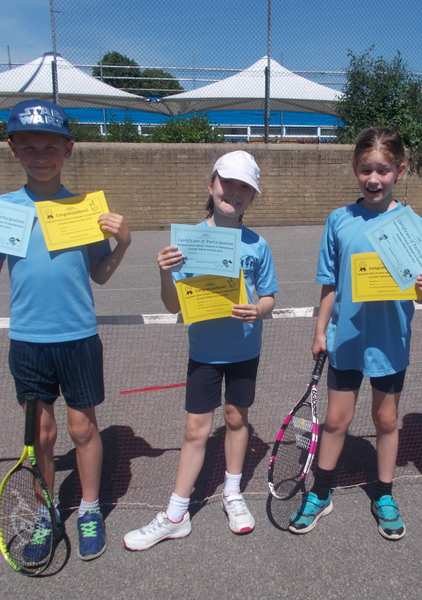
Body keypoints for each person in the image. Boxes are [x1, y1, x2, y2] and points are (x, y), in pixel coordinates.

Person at [0, 100, 132, 561]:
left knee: (83, 428)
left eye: (50, 146)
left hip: (78, 337)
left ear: (69, 150)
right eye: (30, 147)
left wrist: (124, 243)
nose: (41, 155)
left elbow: (99, 274)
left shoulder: (83, 210)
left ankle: (90, 510)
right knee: (41, 435)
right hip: (28, 342)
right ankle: (46, 515)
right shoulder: (3, 210)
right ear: (13, 150)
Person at [288, 128, 422, 540]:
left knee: (386, 419)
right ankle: (321, 493)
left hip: (391, 340)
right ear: (355, 170)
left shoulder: (413, 224)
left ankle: (385, 493)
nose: (374, 179)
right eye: (366, 170)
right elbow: (330, 284)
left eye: (383, 170)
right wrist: (320, 331)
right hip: (347, 339)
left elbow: (419, 287)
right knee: (337, 420)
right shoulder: (339, 220)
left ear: (400, 171)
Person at [122, 150, 278, 551]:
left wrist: (256, 310)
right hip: (205, 352)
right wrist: (163, 271)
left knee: (237, 419)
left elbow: (269, 298)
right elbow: (173, 306)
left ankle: (232, 493)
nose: (235, 193)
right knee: (196, 429)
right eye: (228, 183)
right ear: (211, 185)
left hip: (244, 350)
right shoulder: (186, 240)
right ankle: (176, 514)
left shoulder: (257, 245)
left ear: (252, 197)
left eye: (246, 187)